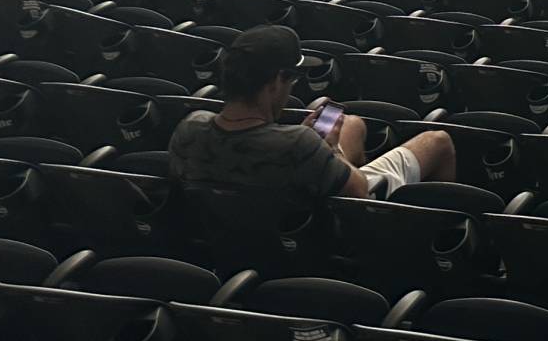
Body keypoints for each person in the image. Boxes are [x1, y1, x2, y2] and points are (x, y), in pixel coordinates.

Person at [168, 25, 456, 209]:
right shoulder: (299, 144)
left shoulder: (189, 129)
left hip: (240, 234)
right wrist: (329, 149)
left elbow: (242, 150)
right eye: (292, 79)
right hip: (322, 230)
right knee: (438, 140)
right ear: (276, 81)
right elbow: (360, 194)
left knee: (352, 125)